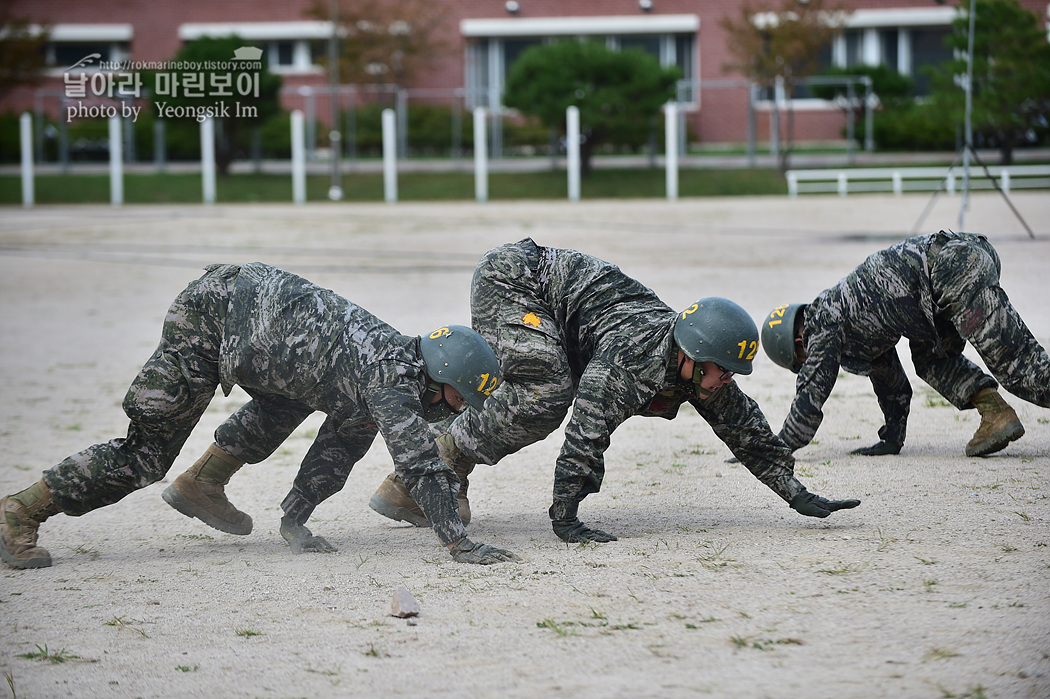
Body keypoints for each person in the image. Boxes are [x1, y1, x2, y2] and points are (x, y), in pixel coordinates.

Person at [1, 262, 520, 570]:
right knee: (144, 455)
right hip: (216, 313)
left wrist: (296, 519)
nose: (452, 412)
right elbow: (419, 463)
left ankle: (201, 485)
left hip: (263, 339)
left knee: (287, 403)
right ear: (443, 374)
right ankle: (18, 513)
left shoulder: (377, 380)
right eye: (457, 400)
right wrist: (459, 541)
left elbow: (337, 449)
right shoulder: (390, 378)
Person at [368, 238, 860, 543]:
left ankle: (422, 470)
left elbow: (746, 430)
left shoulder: (700, 369)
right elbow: (587, 431)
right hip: (515, 282)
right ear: (693, 355)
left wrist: (797, 495)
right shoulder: (631, 360)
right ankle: (437, 459)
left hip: (557, 308)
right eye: (723, 371)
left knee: (542, 380)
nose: (726, 381)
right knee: (547, 391)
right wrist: (565, 515)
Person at [760, 230, 1050, 458]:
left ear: (799, 343)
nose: (807, 363)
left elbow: (811, 392)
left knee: (1020, 368)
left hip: (953, 267)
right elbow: (891, 382)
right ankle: (996, 413)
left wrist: (774, 448)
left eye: (802, 359)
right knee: (930, 359)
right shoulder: (852, 325)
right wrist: (891, 437)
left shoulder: (822, 319)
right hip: (944, 280)